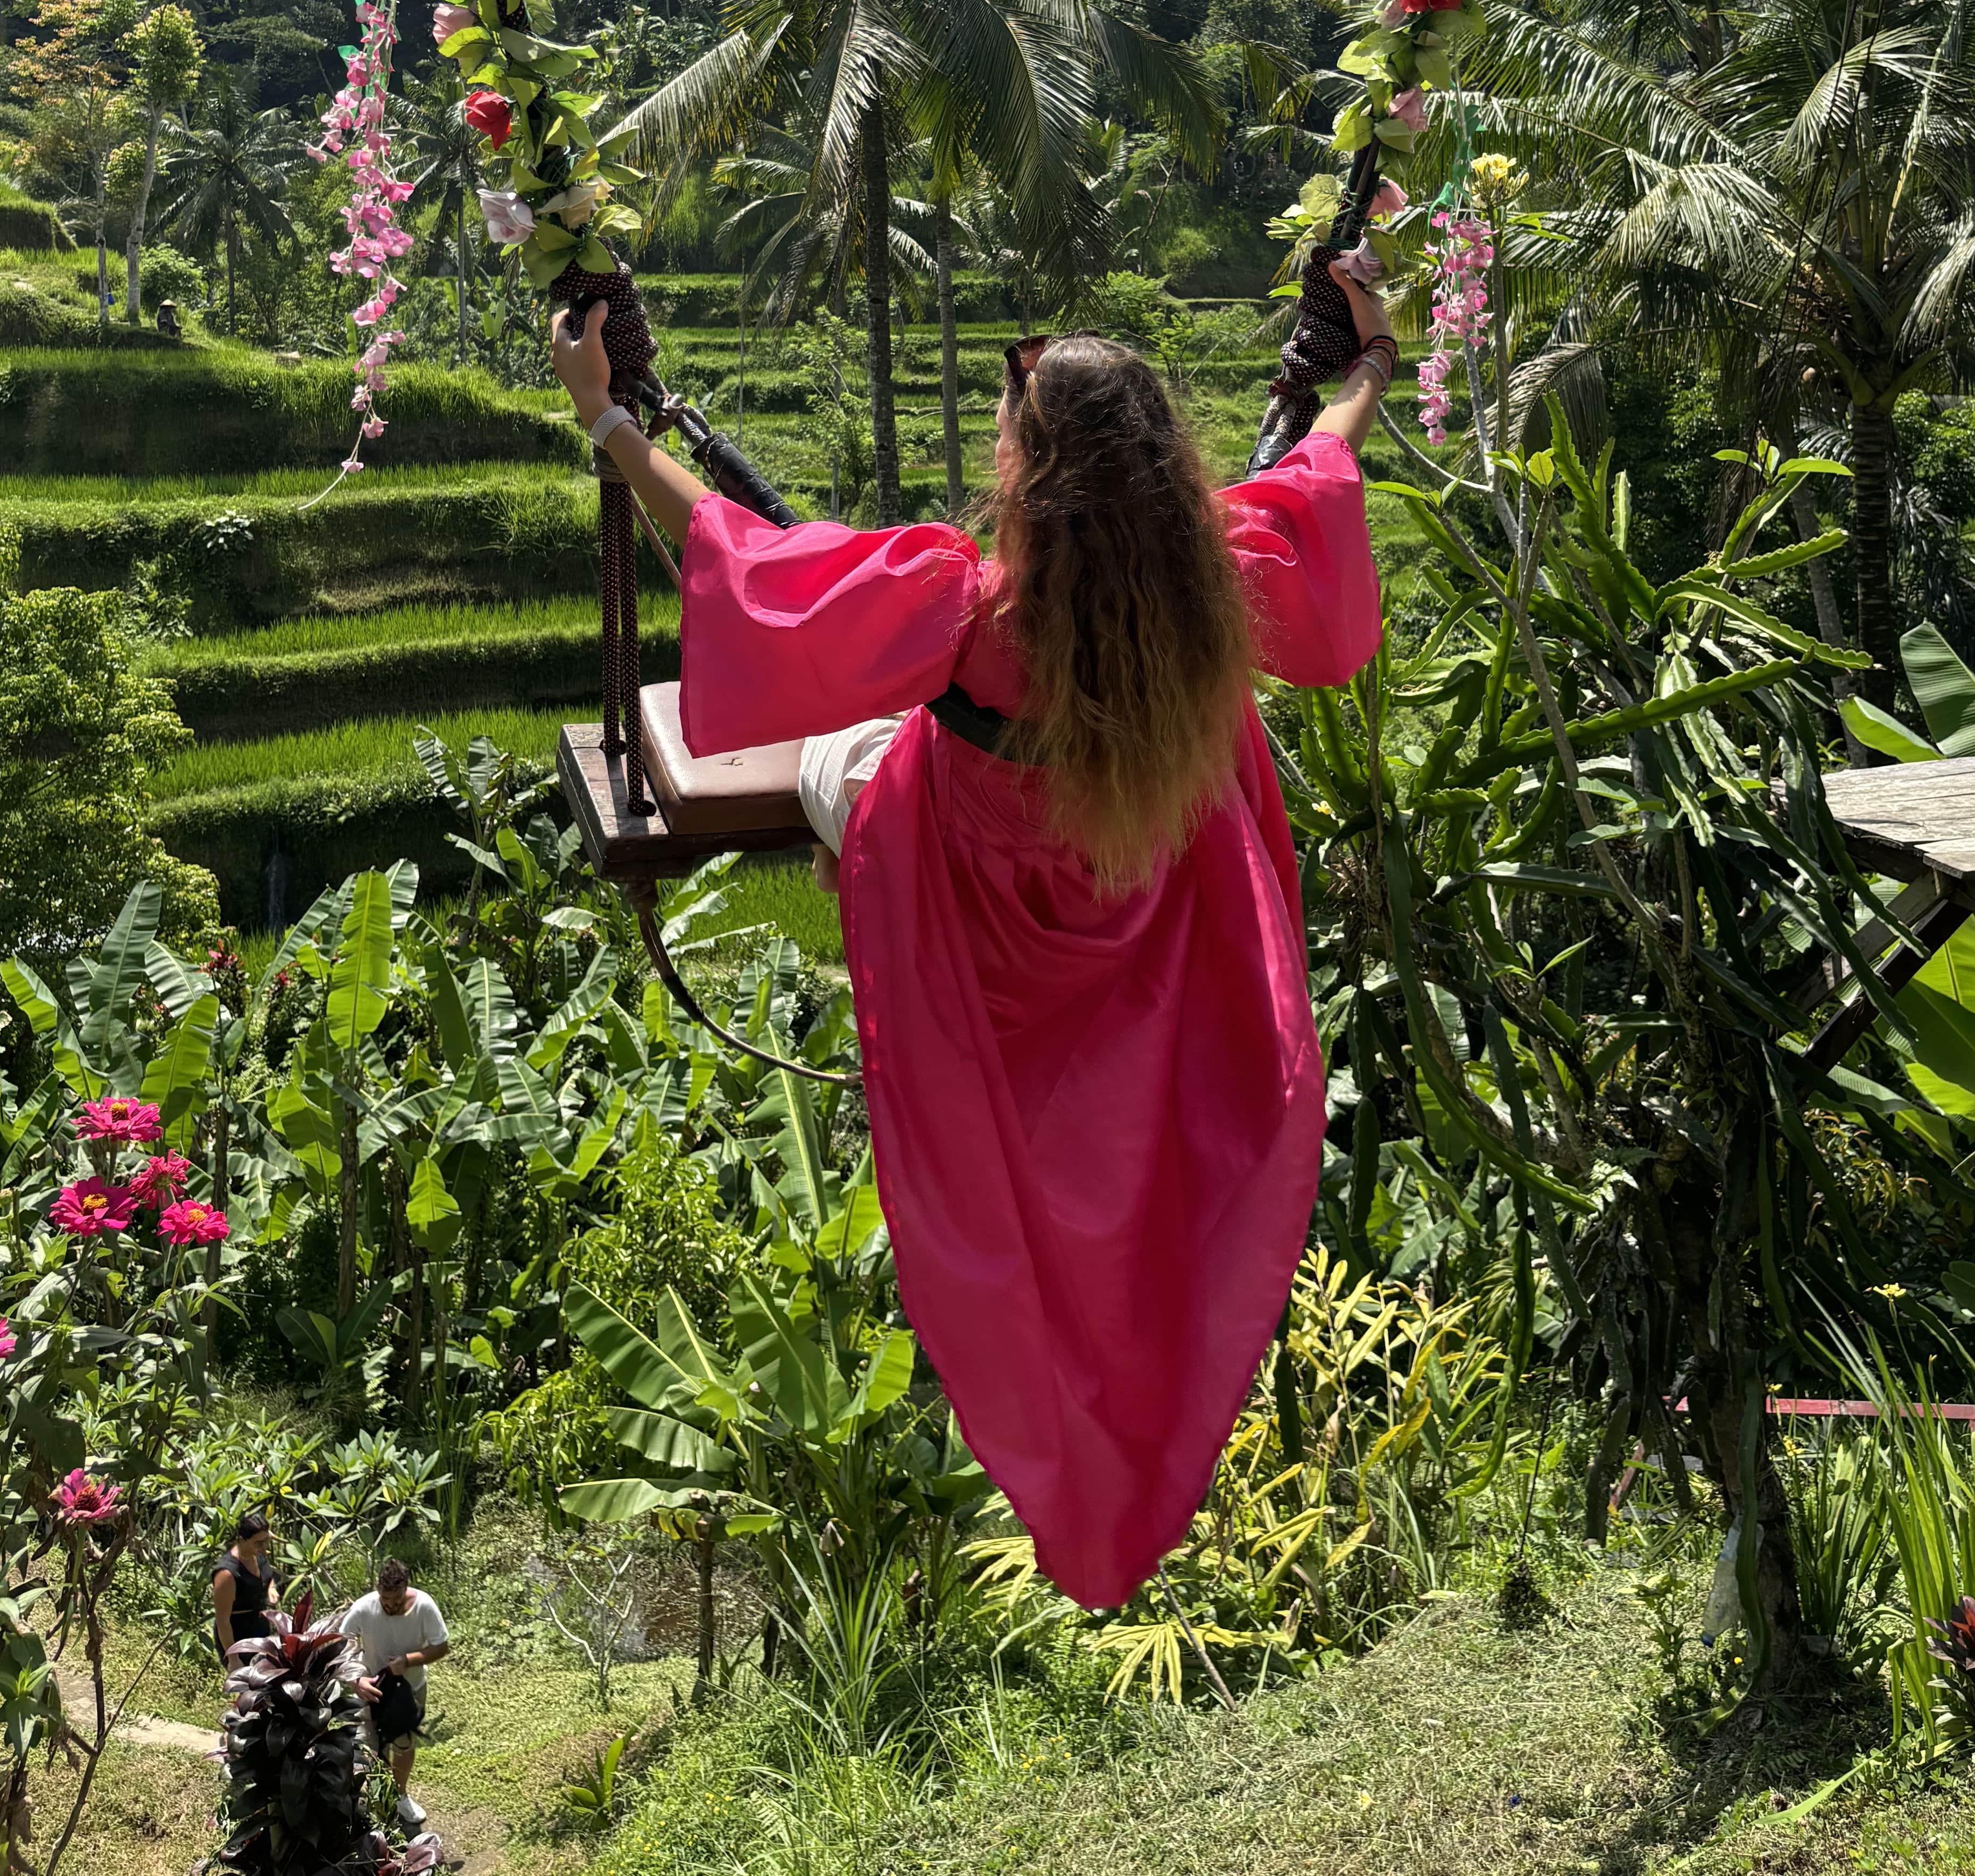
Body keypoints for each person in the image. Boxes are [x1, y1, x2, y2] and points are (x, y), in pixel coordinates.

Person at [554, 256, 1394, 1611]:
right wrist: (1367, 367)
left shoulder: (968, 607)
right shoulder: (1219, 575)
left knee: (834, 756)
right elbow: (1318, 475)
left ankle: (845, 839)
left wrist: (609, 419)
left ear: (1034, 473)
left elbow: (745, 562)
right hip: (1144, 888)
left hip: (977, 903)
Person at [338, 1557, 449, 1832]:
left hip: (410, 1690)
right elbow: (340, 1643)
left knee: (404, 1744)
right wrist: (356, 1680)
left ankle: (400, 1795)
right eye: (386, 1600)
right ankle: (372, 1802)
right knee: (370, 1747)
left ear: (406, 1589)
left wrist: (408, 1660)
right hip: (371, 1691)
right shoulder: (363, 1608)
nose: (391, 1606)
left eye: (397, 1600)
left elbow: (441, 1646)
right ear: (378, 1589)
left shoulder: (424, 1606)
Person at [210, 1510, 280, 1661]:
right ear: (242, 1540)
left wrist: (271, 1588)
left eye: (266, 1541)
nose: (264, 1547)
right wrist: (233, 1659)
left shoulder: (258, 1553)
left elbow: (266, 1574)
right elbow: (223, 1621)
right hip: (238, 1637)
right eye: (259, 1543)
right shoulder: (227, 1574)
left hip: (260, 1627)